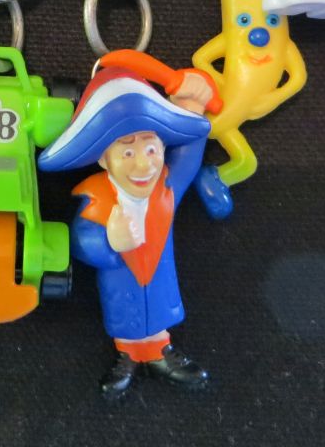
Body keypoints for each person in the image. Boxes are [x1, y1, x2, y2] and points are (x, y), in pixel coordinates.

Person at [38, 63, 232, 399]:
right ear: (104, 160)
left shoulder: (167, 187)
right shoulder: (93, 196)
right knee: (123, 310)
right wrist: (108, 240)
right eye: (127, 152)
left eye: (151, 149)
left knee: (158, 306)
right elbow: (78, 238)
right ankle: (127, 355)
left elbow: (189, 152)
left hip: (158, 275)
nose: (143, 164)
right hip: (119, 276)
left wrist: (192, 105)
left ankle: (160, 352)